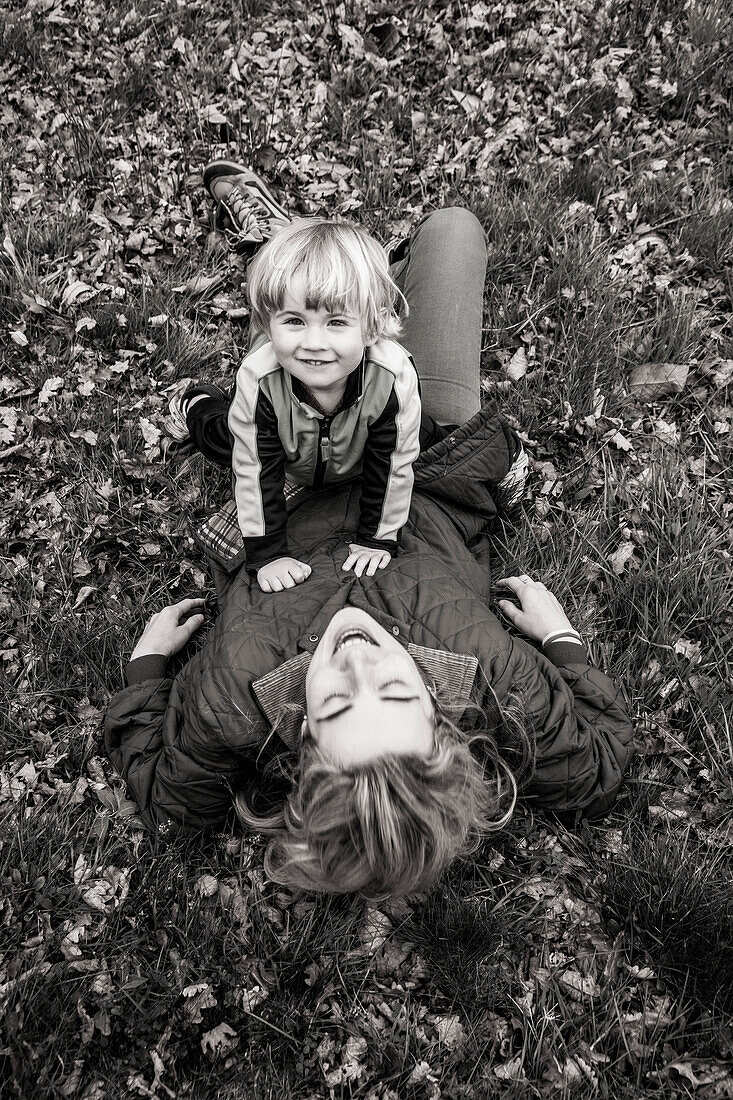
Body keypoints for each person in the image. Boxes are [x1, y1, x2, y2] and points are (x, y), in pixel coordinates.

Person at [106, 181, 634, 900]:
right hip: (424, 462)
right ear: (440, 717)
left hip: (289, 482)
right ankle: (359, 291)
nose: (356, 662)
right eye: (391, 689)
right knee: (451, 227)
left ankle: (290, 271)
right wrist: (561, 640)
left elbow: (169, 804)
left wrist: (145, 669)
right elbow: (599, 770)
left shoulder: (235, 701)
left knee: (255, 379)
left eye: (334, 704)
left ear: (303, 743)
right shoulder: (494, 682)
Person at [164, 163, 526, 592]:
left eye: (335, 323)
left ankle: (340, 268)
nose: (314, 343)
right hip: (288, 454)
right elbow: (255, 471)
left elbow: (393, 464)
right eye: (295, 322)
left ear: (372, 328)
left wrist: (376, 538)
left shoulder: (390, 378)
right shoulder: (259, 379)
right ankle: (201, 396)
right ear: (269, 323)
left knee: (435, 438)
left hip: (366, 440)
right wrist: (268, 555)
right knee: (220, 437)